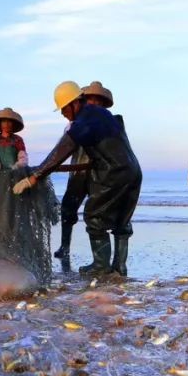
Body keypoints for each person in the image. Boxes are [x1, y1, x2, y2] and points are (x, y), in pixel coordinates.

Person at [12, 81, 141, 276]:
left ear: (75, 103)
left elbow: (60, 152)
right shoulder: (104, 115)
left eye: (64, 109)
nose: (63, 113)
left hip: (114, 174)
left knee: (94, 217)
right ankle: (119, 267)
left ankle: (101, 267)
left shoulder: (84, 121)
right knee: (122, 220)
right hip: (133, 172)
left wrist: (33, 177)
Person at [54, 81, 114, 259]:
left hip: (99, 171)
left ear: (103, 103)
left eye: (98, 100)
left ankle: (99, 258)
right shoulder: (73, 124)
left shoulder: (107, 121)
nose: (94, 103)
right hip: (78, 171)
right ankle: (65, 246)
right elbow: (63, 147)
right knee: (68, 208)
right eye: (91, 99)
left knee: (96, 213)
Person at [0, 108, 27, 172]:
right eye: (4, 121)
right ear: (0, 123)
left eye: (9, 121)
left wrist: (17, 165)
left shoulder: (18, 139)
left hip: (14, 174)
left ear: (13, 124)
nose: (6, 124)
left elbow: (23, 158)